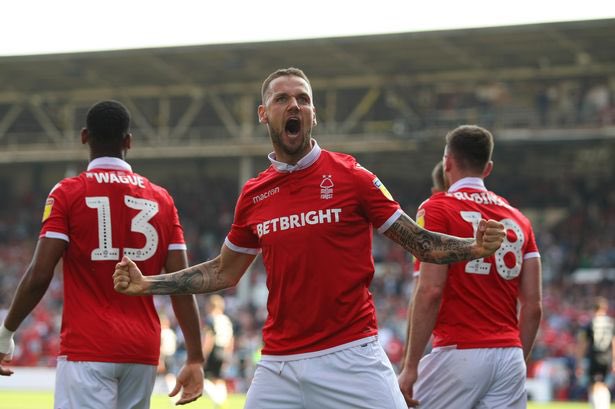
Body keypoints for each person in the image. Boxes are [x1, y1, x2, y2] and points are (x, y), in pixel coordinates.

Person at [113, 68, 506, 409]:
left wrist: (473, 247)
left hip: (351, 356)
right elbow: (222, 271)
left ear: (313, 115)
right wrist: (150, 283)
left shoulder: (353, 177)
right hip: (280, 363)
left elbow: (418, 242)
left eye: (303, 99)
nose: (294, 105)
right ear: (264, 114)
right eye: (282, 98)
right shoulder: (253, 195)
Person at [0, 100, 204, 408]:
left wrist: (6, 332)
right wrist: (196, 356)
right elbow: (181, 283)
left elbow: (40, 273)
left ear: (85, 136)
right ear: (128, 142)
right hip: (142, 350)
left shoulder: (67, 193)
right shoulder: (162, 199)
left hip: (87, 347)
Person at [398, 124, 543, 409]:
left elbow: (429, 290)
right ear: (488, 168)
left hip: (459, 352)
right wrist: (515, 359)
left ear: (447, 162)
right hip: (510, 355)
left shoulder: (437, 208)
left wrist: (410, 365)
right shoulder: (520, 220)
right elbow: (534, 306)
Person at [576, 296, 614, 409]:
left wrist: (579, 361)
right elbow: (613, 343)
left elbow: (583, 344)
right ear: (605, 308)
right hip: (607, 358)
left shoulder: (589, 323)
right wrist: (614, 360)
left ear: (593, 309)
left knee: (593, 385)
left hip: (594, 357)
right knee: (604, 385)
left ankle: (597, 406)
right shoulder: (611, 323)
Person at [202, 294, 234, 408]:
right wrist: (228, 354)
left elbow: (209, 338)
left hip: (214, 351)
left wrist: (204, 354)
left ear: (211, 306)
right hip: (224, 350)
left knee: (203, 377)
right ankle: (222, 402)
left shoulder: (211, 319)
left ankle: (218, 400)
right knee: (219, 378)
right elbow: (231, 339)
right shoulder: (226, 320)